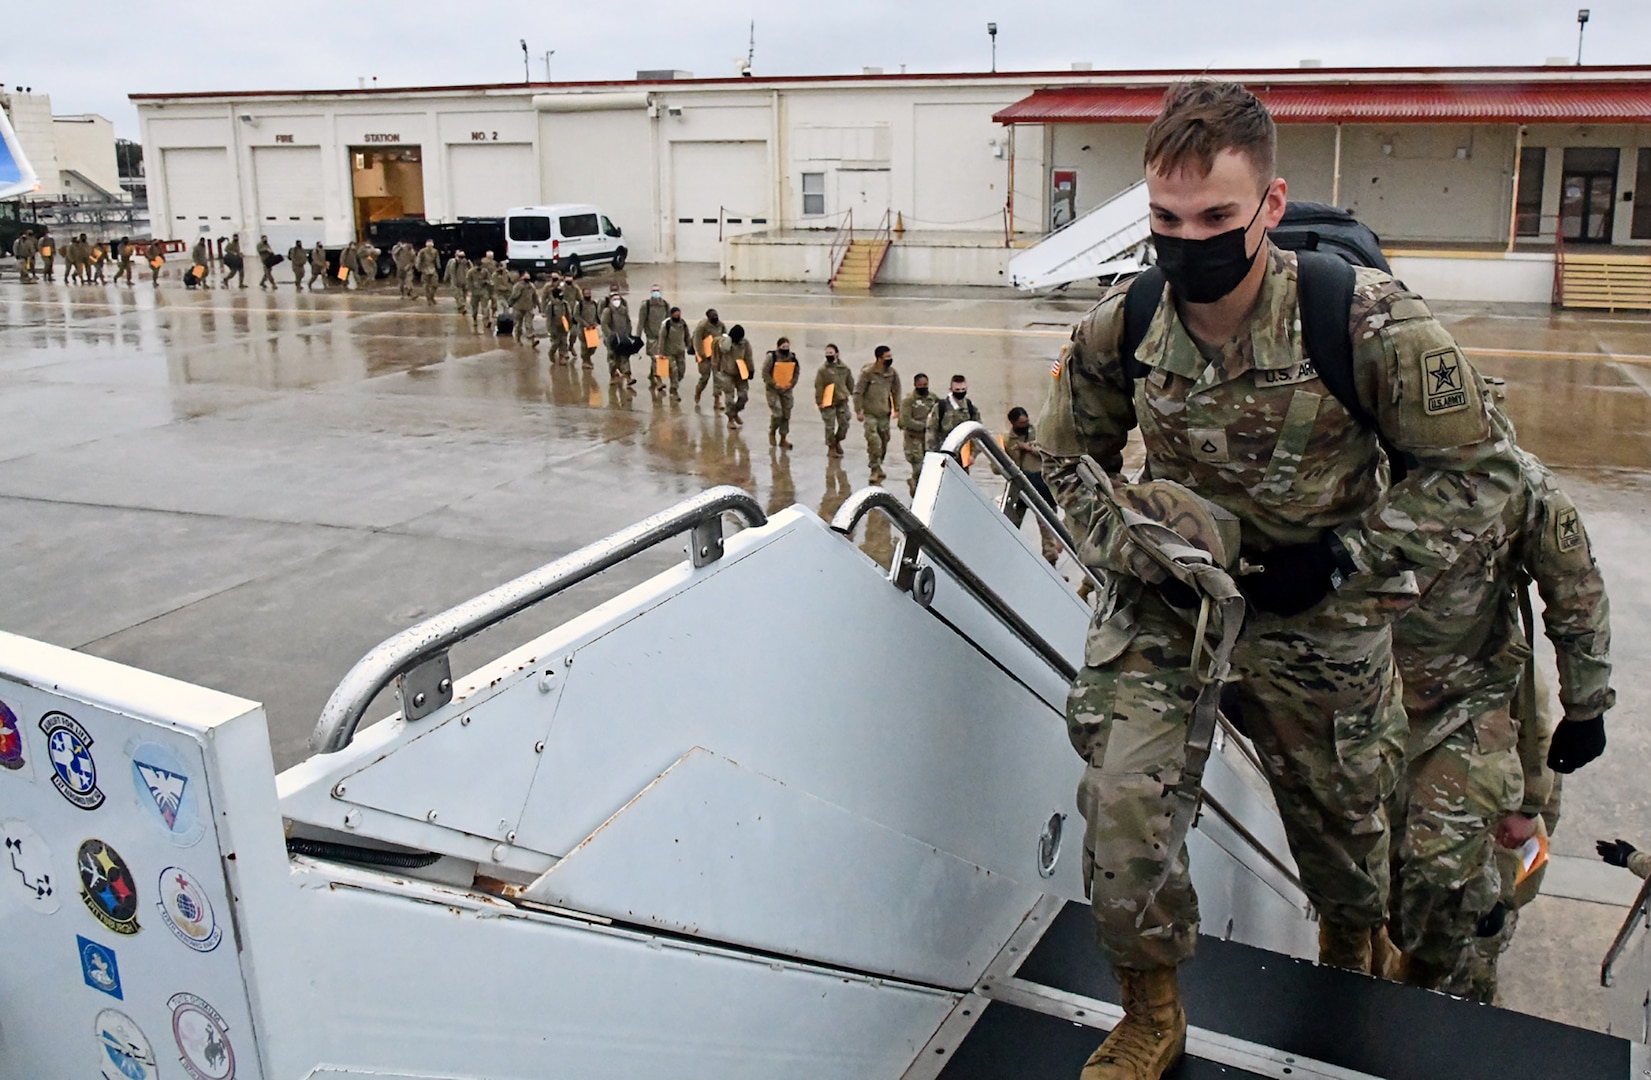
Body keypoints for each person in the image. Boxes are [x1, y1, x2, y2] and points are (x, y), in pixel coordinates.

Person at [1035, 80, 1519, 1080]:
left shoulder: (1362, 321)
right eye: (1166, 220)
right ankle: (1151, 1012)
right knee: (1120, 805)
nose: (1190, 241)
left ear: (1269, 204)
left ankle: (1347, 960)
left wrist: (1352, 561)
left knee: (1346, 848)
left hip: (1320, 622)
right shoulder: (1125, 322)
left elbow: (1479, 473)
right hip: (1175, 611)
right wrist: (1131, 554)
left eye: (1216, 217)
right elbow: (1063, 461)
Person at [1391, 436, 1612, 1002]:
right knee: (1385, 881)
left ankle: (1456, 986)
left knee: (1467, 909)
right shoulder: (1344, 462)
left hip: (1467, 711)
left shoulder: (1511, 482)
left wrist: (1530, 804)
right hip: (1373, 712)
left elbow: (1577, 594)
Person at [995, 407, 1061, 564]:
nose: (1024, 425)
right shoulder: (1005, 439)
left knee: (1047, 527)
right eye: (1021, 423)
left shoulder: (1038, 433)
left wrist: (1030, 448)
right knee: (1010, 525)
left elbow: (1051, 451)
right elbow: (996, 467)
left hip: (1040, 484)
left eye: (1026, 422)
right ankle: (1006, 558)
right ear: (1012, 423)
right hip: (1018, 485)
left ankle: (1050, 563)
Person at [854, 345, 902, 484]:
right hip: (870, 413)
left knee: (884, 441)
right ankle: (874, 469)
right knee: (874, 441)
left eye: (890, 357)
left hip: (884, 413)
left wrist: (896, 408)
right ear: (879, 358)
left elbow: (896, 391)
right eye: (887, 357)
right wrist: (859, 411)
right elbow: (858, 392)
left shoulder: (892, 374)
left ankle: (879, 464)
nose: (889, 360)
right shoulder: (868, 373)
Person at [899, 372, 938, 494]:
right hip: (913, 440)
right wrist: (924, 426)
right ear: (915, 385)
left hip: (929, 440)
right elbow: (906, 421)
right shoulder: (908, 401)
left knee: (930, 467)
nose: (924, 387)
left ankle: (922, 488)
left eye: (925, 384)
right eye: (920, 385)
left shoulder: (933, 398)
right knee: (918, 467)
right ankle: (915, 490)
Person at [925, 374, 980, 457]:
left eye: (963, 389)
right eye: (957, 389)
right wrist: (932, 453)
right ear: (951, 389)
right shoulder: (940, 407)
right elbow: (931, 430)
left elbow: (978, 431)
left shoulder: (970, 407)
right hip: (943, 452)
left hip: (964, 454)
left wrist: (973, 454)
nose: (960, 392)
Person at [815, 344, 854, 458]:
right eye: (827, 354)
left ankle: (837, 441)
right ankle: (831, 448)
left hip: (841, 399)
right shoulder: (822, 370)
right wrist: (819, 401)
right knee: (829, 426)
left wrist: (855, 396)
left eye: (831, 353)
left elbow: (850, 383)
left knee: (844, 423)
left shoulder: (844, 368)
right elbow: (819, 386)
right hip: (828, 401)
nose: (828, 356)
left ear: (837, 354)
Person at [762, 336, 801, 448]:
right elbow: (765, 373)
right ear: (778, 347)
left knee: (786, 415)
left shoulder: (792, 358)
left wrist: (792, 383)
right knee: (777, 413)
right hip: (773, 390)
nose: (786, 349)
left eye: (787, 346)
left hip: (786, 390)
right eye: (783, 347)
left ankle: (783, 438)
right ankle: (772, 431)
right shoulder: (771, 357)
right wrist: (774, 383)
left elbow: (796, 372)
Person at [718, 325, 754, 426]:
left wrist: (751, 370)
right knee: (729, 398)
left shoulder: (745, 343)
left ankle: (735, 413)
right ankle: (730, 419)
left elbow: (749, 356)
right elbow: (724, 349)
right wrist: (729, 338)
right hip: (727, 373)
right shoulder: (726, 342)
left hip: (741, 373)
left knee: (743, 397)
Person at [638, 284, 672, 394]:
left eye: (657, 290)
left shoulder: (665, 305)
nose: (656, 292)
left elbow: (669, 321)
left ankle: (652, 374)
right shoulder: (646, 305)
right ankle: (659, 380)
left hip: (662, 337)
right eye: (654, 291)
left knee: (659, 358)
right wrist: (637, 337)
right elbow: (641, 321)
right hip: (651, 336)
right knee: (655, 358)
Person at [691, 308, 727, 407]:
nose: (715, 317)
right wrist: (702, 354)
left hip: (717, 355)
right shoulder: (702, 326)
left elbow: (725, 337)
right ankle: (698, 391)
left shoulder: (721, 325)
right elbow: (697, 340)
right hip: (704, 357)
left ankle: (717, 400)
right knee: (705, 377)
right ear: (708, 317)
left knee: (718, 378)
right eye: (713, 316)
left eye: (716, 315)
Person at [600, 290, 635, 383]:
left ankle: (628, 377)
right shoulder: (607, 311)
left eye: (618, 299)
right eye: (614, 299)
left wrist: (628, 333)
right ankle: (613, 375)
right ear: (610, 301)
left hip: (623, 337)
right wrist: (611, 335)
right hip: (612, 339)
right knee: (613, 359)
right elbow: (604, 324)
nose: (617, 301)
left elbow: (628, 322)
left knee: (625, 357)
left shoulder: (623, 310)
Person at [657, 306, 691, 400]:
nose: (677, 316)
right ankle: (674, 391)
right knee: (674, 371)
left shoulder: (683, 323)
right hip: (669, 352)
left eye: (679, 314)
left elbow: (687, 335)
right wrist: (661, 352)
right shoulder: (666, 325)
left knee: (681, 372)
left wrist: (689, 347)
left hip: (680, 351)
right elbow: (662, 339)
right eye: (675, 315)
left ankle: (674, 383)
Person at [542, 277, 574, 362]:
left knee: (564, 342)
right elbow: (549, 319)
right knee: (555, 343)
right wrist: (550, 330)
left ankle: (562, 357)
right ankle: (551, 352)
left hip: (563, 326)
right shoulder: (550, 306)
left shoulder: (565, 304)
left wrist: (570, 325)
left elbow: (568, 315)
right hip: (554, 327)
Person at [507, 272, 539, 345]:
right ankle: (518, 340)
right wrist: (509, 304)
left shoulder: (531, 286)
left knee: (529, 325)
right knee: (518, 325)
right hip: (518, 308)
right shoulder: (518, 286)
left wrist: (539, 307)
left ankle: (532, 340)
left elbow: (535, 297)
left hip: (528, 308)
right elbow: (514, 296)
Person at [574, 287, 601, 367]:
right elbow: (576, 316)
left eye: (589, 293)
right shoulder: (580, 305)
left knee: (593, 346)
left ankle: (588, 357)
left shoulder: (594, 303)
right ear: (583, 294)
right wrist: (584, 323)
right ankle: (584, 361)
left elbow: (597, 314)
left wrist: (596, 322)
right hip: (583, 329)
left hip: (592, 328)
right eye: (586, 294)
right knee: (585, 346)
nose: (588, 295)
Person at [471, 251, 499, 327]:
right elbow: (469, 281)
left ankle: (486, 321)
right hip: (475, 291)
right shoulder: (472, 271)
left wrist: (490, 282)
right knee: (475, 308)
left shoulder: (493, 264)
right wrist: (470, 289)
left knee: (485, 306)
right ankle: (474, 320)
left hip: (484, 290)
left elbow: (490, 277)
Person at [444, 249, 472, 317]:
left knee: (462, 295)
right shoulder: (454, 262)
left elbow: (471, 270)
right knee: (458, 295)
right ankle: (462, 306)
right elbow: (451, 272)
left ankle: (462, 306)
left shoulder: (467, 262)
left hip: (463, 281)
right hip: (458, 281)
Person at [415, 239, 440, 304]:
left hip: (432, 269)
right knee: (426, 286)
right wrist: (418, 267)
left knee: (435, 284)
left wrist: (438, 266)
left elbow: (437, 260)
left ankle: (431, 296)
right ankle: (428, 299)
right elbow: (418, 259)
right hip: (425, 269)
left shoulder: (435, 251)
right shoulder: (422, 251)